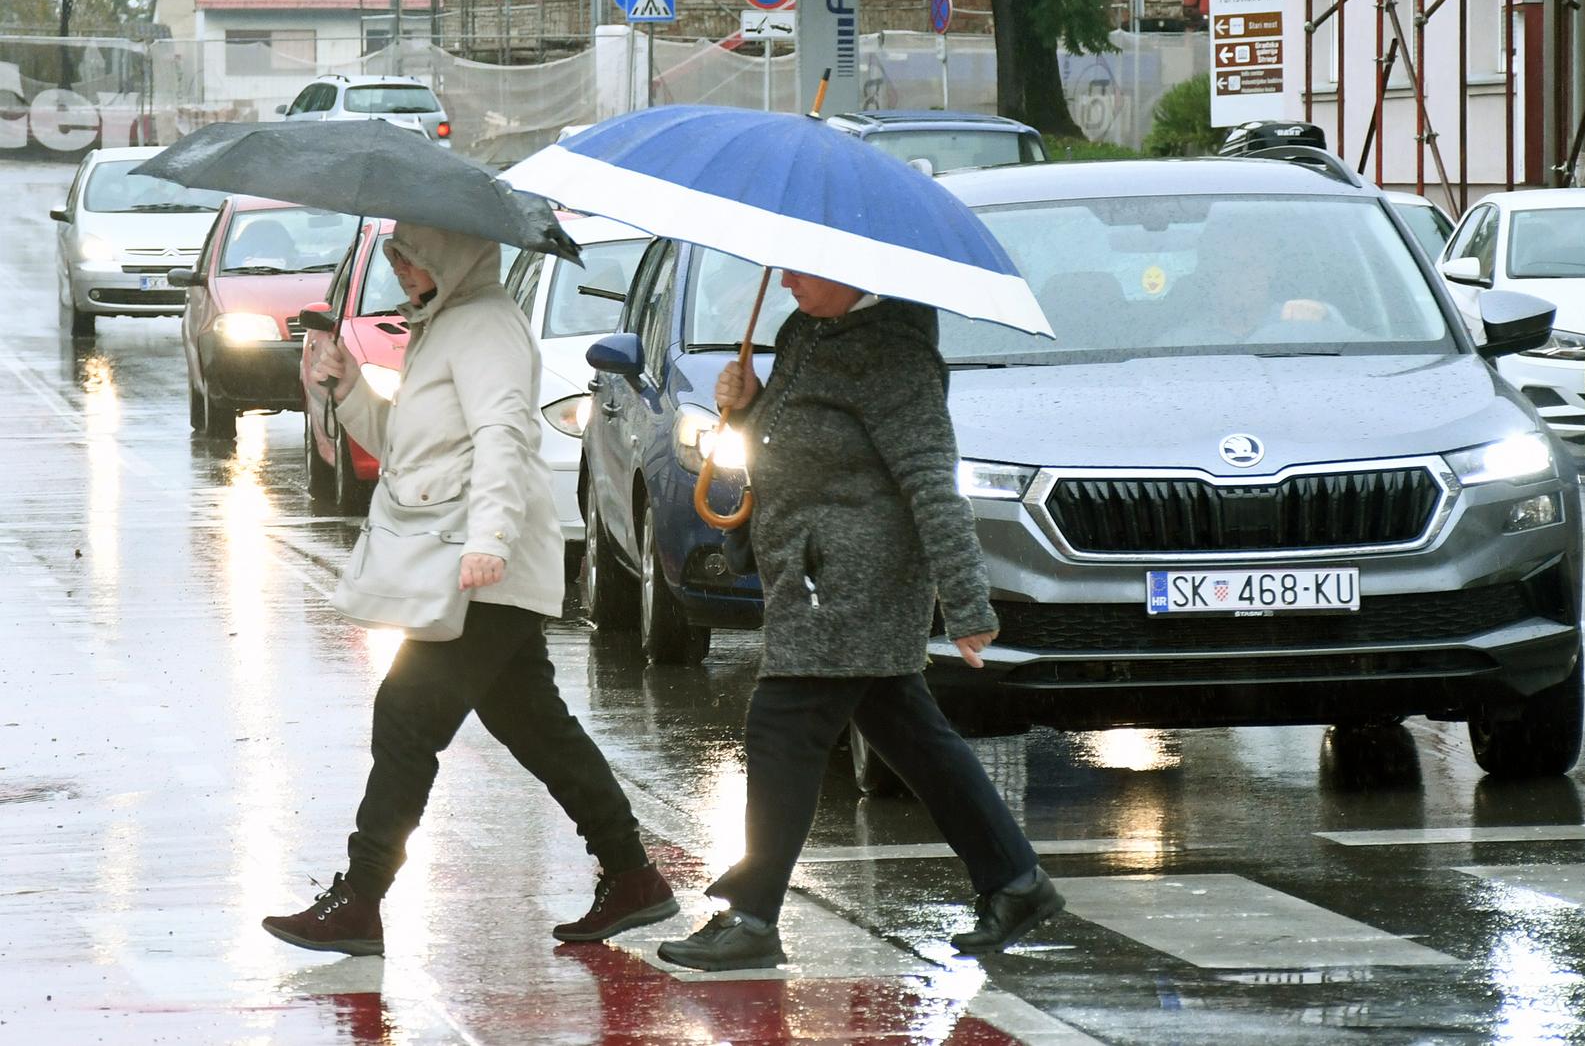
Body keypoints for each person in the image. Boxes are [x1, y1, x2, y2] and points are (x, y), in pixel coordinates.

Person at [262, 223, 678, 957]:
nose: (398, 268)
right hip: (467, 564)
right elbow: (408, 447)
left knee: (405, 718)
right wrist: (349, 385)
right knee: (535, 726)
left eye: (410, 255)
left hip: (480, 568)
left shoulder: (485, 325)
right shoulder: (444, 326)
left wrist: (489, 542)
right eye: (394, 256)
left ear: (451, 254)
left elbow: (502, 439)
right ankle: (633, 875)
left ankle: (359, 900)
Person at [656, 270, 1063, 972]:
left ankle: (753, 918)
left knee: (781, 725)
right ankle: (1015, 883)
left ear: (851, 273)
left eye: (800, 269)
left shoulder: (897, 358)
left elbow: (933, 480)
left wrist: (967, 603)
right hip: (810, 572)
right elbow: (794, 441)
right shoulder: (807, 330)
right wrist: (748, 409)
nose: (784, 281)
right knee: (910, 732)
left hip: (856, 584)